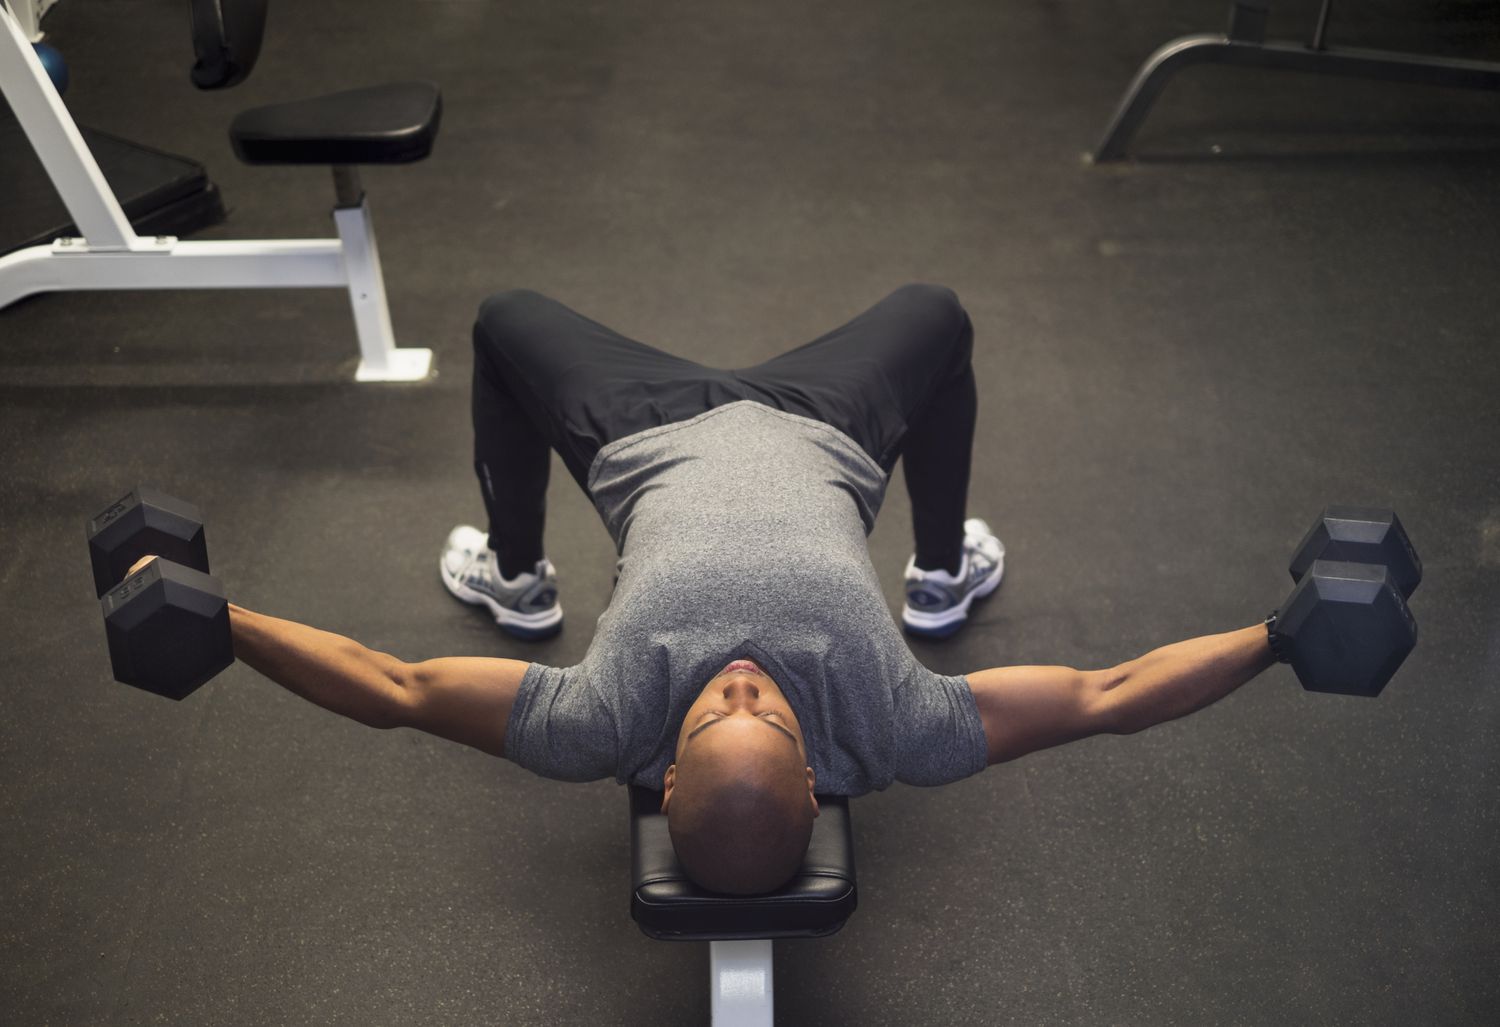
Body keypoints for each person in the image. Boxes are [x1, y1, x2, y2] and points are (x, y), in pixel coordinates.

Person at [224, 285, 1276, 896]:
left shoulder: (598, 722)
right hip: (828, 428)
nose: (736, 682)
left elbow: (394, 687)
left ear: (664, 780)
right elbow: (1111, 695)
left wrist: (223, 625)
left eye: (712, 711)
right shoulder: (897, 725)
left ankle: (514, 579)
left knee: (503, 321)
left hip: (640, 431)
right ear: (817, 777)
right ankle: (944, 574)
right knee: (940, 318)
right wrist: (1278, 636)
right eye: (761, 709)